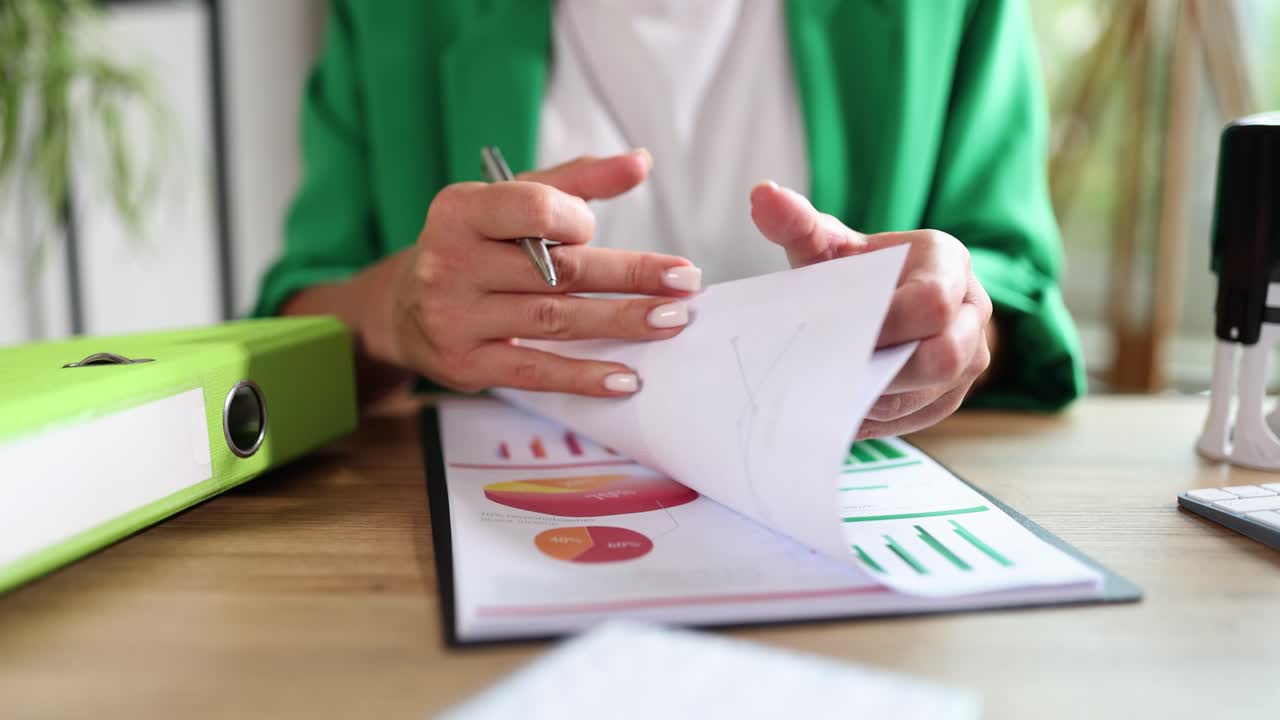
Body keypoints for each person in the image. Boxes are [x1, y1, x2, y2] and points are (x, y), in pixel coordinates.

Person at [254, 0, 1085, 438]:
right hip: (496, 523)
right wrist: (398, 309)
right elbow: (297, 320)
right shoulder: (392, 12)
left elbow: (1014, 290)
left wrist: (951, 320)